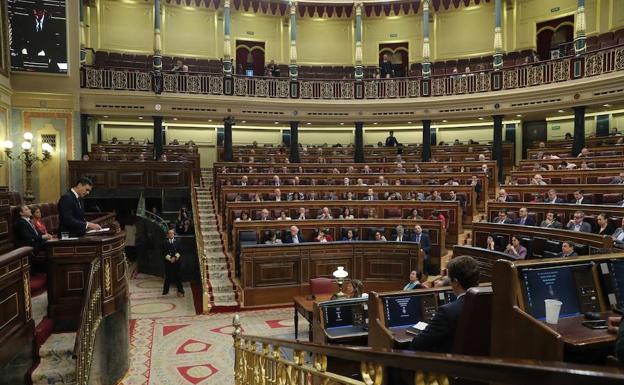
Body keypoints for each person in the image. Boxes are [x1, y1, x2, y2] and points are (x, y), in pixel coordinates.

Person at [409, 256, 480, 353]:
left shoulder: (447, 312)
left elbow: (418, 344)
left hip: (451, 365)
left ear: (455, 282)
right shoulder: (492, 304)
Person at [162, 229, 184, 297]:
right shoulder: (164, 242)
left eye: (172, 233)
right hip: (168, 262)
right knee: (168, 277)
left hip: (177, 262)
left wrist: (175, 257)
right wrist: (170, 259)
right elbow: (163, 252)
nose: (171, 235)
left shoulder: (178, 241)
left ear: (174, 234)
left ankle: (181, 290)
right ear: (167, 235)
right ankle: (165, 291)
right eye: (169, 233)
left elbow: (180, 251)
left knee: (178, 277)